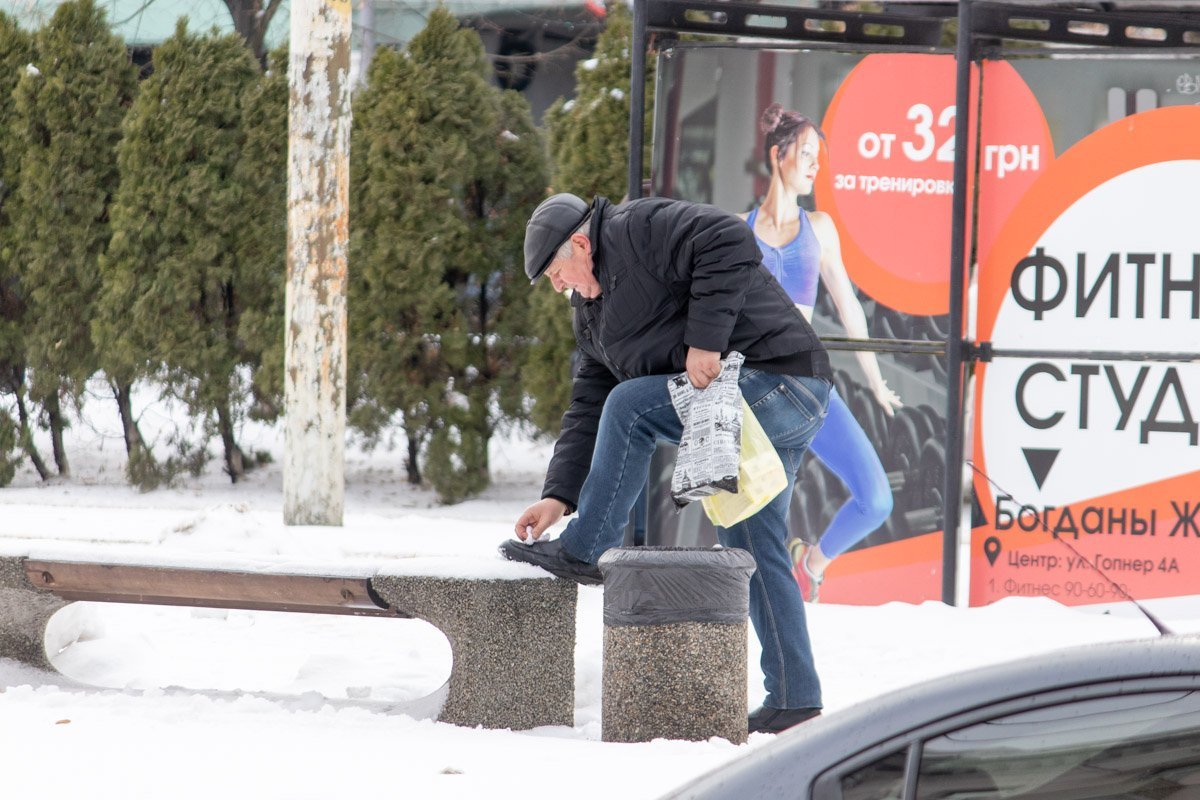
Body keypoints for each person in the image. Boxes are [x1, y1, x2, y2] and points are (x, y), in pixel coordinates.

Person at [500, 191, 833, 734]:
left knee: (632, 407)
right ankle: (795, 697)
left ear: (581, 244)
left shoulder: (636, 228)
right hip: (748, 404)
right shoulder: (592, 314)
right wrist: (559, 494)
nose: (557, 288)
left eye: (557, 273)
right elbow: (588, 403)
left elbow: (729, 239)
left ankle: (587, 550)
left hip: (781, 381)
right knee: (752, 545)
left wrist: (706, 340)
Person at [744, 103, 901, 601]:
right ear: (778, 155)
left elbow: (850, 308)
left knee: (876, 498)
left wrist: (875, 382)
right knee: (754, 517)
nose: (815, 165)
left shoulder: (821, 228)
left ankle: (810, 563)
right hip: (758, 394)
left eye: (819, 157)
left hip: (809, 389)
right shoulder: (738, 231)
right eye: (807, 154)